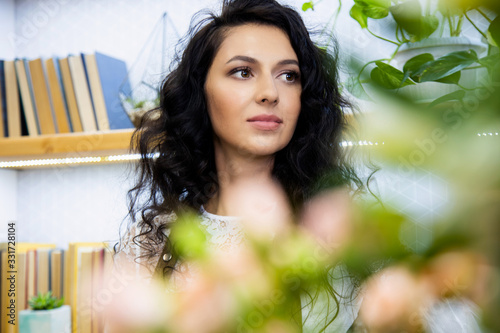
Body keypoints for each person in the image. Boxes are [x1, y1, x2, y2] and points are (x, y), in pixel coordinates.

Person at [113, 0, 363, 331]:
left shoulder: (338, 226)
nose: (270, 93)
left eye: (289, 75)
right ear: (201, 93)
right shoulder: (150, 241)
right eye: (243, 72)